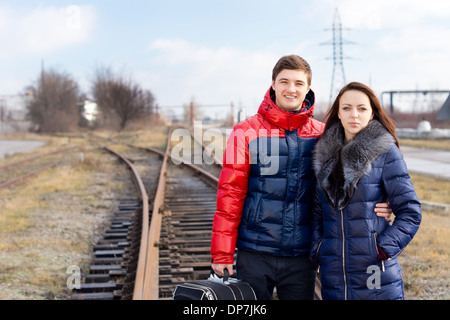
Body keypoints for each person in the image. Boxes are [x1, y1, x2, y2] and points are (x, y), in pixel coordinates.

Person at [210, 55, 393, 300]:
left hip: (302, 255)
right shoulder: (245, 132)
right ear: (273, 84)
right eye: (284, 81)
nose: (291, 89)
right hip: (255, 252)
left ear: (308, 88)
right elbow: (230, 194)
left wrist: (384, 202)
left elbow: (352, 182)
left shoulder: (323, 134)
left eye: (298, 83)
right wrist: (222, 254)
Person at [310, 82, 421, 300]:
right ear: (338, 113)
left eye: (362, 108)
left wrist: (382, 248)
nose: (354, 115)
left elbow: (410, 212)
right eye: (347, 108)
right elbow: (316, 211)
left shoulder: (386, 152)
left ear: (372, 114)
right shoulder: (323, 155)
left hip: (375, 272)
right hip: (335, 273)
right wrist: (318, 248)